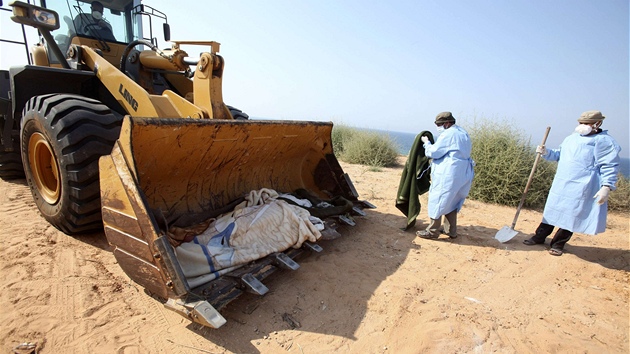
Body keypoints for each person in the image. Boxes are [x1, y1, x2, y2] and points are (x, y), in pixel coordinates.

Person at [523, 110, 621, 256]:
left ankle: (558, 244)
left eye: (586, 123)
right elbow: (559, 155)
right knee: (552, 210)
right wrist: (546, 152)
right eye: (581, 123)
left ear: (598, 123)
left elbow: (609, 165)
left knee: (572, 215)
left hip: (583, 185)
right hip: (562, 183)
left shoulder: (605, 142)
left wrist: (607, 186)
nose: (582, 126)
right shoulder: (572, 138)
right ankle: (539, 237)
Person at [416, 112, 475, 239]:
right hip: (463, 172)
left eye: (439, 124)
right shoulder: (462, 132)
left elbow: (434, 152)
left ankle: (432, 231)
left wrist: (426, 143)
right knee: (452, 200)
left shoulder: (449, 134)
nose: (438, 127)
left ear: (447, 123)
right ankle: (451, 230)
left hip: (449, 173)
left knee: (438, 199)